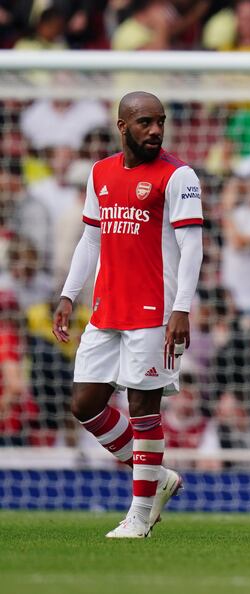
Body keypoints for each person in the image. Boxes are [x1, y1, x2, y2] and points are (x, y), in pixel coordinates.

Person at [51, 91, 204, 538]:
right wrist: (67, 294)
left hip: (155, 311)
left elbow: (192, 246)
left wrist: (182, 308)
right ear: (123, 127)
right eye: (144, 123)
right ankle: (158, 478)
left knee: (143, 408)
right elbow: (91, 240)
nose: (155, 130)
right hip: (106, 309)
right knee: (85, 403)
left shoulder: (179, 176)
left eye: (160, 122)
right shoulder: (100, 173)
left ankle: (139, 516)